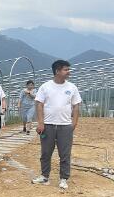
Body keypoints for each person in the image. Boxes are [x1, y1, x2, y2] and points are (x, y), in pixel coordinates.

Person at [32, 60, 82, 190]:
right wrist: (41, 123)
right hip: (48, 125)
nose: (68, 72)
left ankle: (63, 178)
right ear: (57, 71)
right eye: (66, 69)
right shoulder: (46, 87)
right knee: (46, 152)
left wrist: (74, 123)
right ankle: (44, 176)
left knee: (65, 154)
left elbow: (76, 106)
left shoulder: (72, 87)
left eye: (68, 69)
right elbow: (39, 105)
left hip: (65, 126)